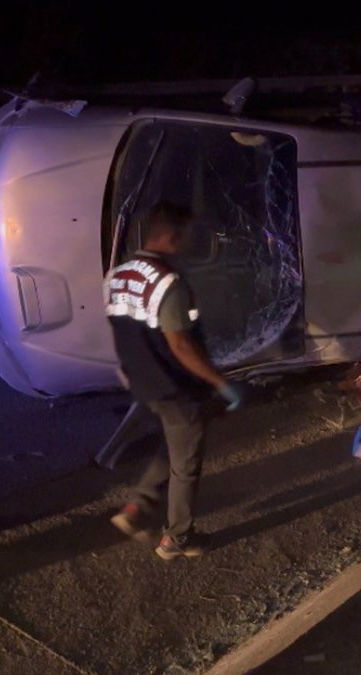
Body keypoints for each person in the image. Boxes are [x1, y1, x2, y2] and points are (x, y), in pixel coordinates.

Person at [105, 202, 246, 559]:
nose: (186, 245)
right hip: (176, 387)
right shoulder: (169, 283)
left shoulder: (120, 274)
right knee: (185, 466)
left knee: (171, 447)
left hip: (143, 384)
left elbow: (124, 331)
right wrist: (219, 382)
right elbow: (181, 345)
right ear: (170, 235)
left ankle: (136, 510)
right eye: (184, 237)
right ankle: (177, 540)